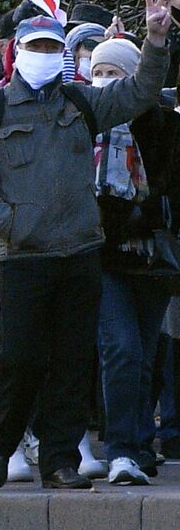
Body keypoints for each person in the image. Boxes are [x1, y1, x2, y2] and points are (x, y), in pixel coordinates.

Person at [0, 0, 172, 490]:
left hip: (79, 252)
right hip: (25, 257)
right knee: (19, 359)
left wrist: (155, 41)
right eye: (37, 46)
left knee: (73, 363)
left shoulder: (81, 102)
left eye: (54, 45)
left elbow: (139, 92)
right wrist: (7, 222)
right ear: (18, 51)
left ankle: (59, 461)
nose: (47, 53)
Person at [82, 37, 180, 486]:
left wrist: (151, 210)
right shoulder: (81, 124)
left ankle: (139, 442)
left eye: (114, 73)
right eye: (98, 73)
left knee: (143, 353)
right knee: (120, 347)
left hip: (152, 254)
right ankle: (121, 448)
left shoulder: (164, 125)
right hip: (102, 254)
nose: (104, 82)